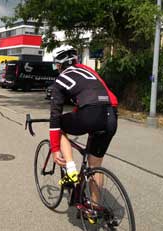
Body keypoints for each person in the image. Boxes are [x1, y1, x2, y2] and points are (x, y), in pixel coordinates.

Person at [49, 45, 118, 187]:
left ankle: (71, 170)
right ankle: (95, 207)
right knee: (95, 167)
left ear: (59, 65)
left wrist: (55, 150)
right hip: (111, 114)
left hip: (91, 114)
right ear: (75, 60)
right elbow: (99, 94)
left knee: (59, 126)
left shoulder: (60, 80)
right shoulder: (89, 71)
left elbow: (55, 116)